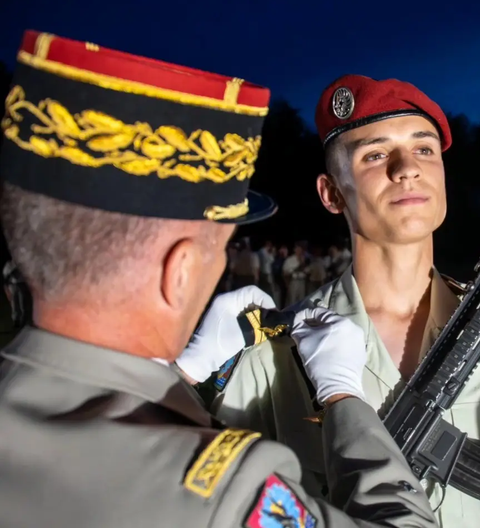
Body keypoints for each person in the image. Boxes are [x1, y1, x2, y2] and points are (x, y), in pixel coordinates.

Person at [0, 30, 437, 528]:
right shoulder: (218, 493)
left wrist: (179, 374)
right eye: (219, 248)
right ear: (180, 271)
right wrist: (342, 394)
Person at [182, 75, 480, 528]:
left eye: (424, 149)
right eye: (375, 154)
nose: (407, 167)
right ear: (331, 193)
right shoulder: (273, 351)